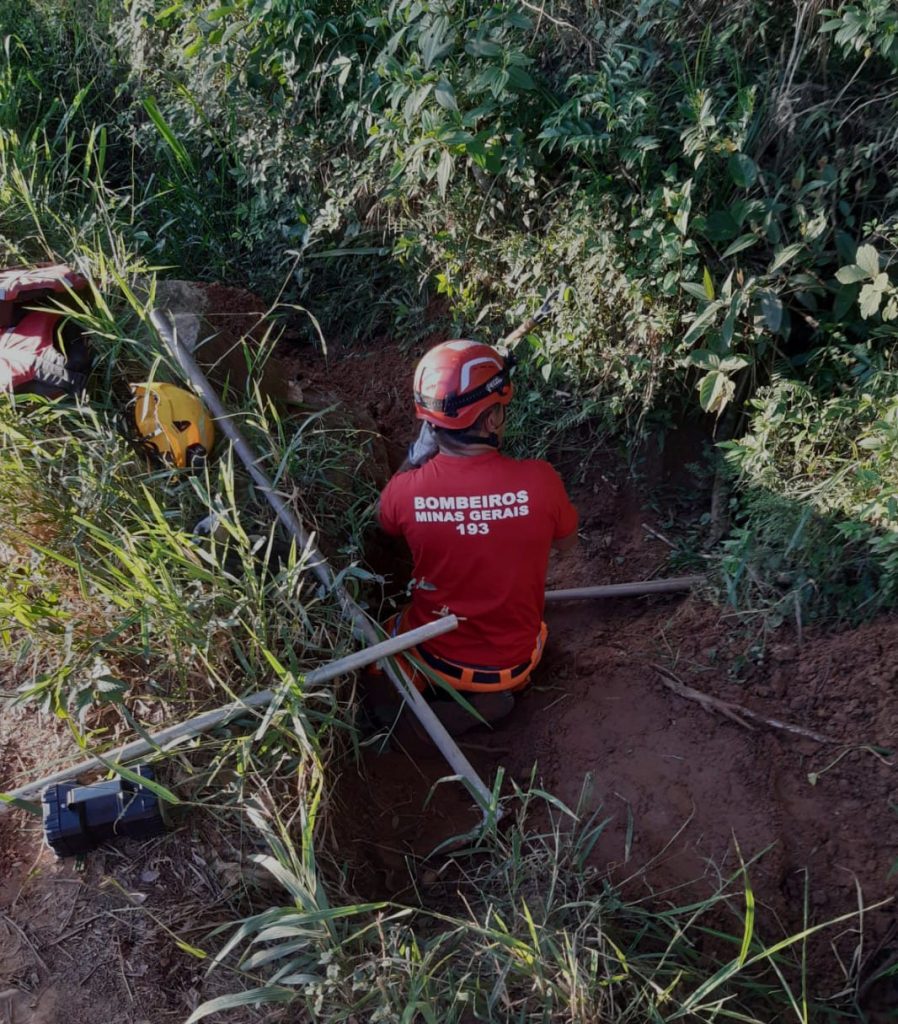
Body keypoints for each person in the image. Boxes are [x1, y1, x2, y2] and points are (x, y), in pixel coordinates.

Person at [375, 339, 578, 735]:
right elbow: (567, 546)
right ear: (490, 422)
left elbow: (382, 523)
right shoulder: (542, 480)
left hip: (437, 658)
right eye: (500, 409)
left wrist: (416, 457)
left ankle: (409, 714)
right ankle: (493, 696)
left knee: (386, 636)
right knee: (530, 626)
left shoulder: (405, 492)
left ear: (429, 423)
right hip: (517, 661)